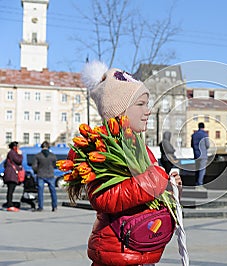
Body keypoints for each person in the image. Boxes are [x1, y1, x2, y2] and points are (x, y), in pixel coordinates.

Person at [67, 61, 182, 265]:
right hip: (117, 252)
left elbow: (152, 192)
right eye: (140, 104)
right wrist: (155, 180)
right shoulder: (99, 146)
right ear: (118, 110)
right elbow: (103, 197)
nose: (148, 111)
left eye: (147, 103)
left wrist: (171, 189)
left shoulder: (141, 147)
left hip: (142, 248)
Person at [32, 141, 57, 212]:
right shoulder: (53, 155)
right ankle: (54, 206)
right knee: (53, 191)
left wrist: (37, 171)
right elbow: (55, 165)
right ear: (48, 147)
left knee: (40, 192)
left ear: (41, 147)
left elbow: (34, 166)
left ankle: (40, 207)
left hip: (41, 175)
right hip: (50, 174)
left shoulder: (38, 155)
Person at [2, 141, 23, 212]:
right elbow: (19, 161)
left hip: (9, 174)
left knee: (10, 190)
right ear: (15, 147)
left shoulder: (10, 153)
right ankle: (10, 205)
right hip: (11, 175)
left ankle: (9, 204)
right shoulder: (12, 153)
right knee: (10, 190)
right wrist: (20, 155)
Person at [191, 122, 210, 186]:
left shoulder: (194, 135)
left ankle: (196, 182)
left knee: (197, 169)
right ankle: (200, 183)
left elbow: (191, 145)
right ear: (203, 127)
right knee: (202, 170)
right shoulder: (205, 134)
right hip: (203, 155)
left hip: (196, 154)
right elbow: (207, 145)